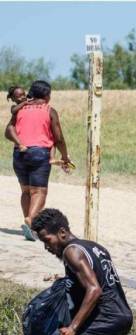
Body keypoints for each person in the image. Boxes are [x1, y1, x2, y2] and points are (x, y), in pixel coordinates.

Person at [4, 80, 73, 241]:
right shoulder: (49, 110)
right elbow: (59, 138)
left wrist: (20, 142)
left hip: (19, 153)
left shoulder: (20, 110)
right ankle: (30, 220)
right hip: (39, 153)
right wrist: (64, 156)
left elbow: (8, 130)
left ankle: (29, 225)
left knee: (26, 191)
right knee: (39, 192)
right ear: (47, 96)